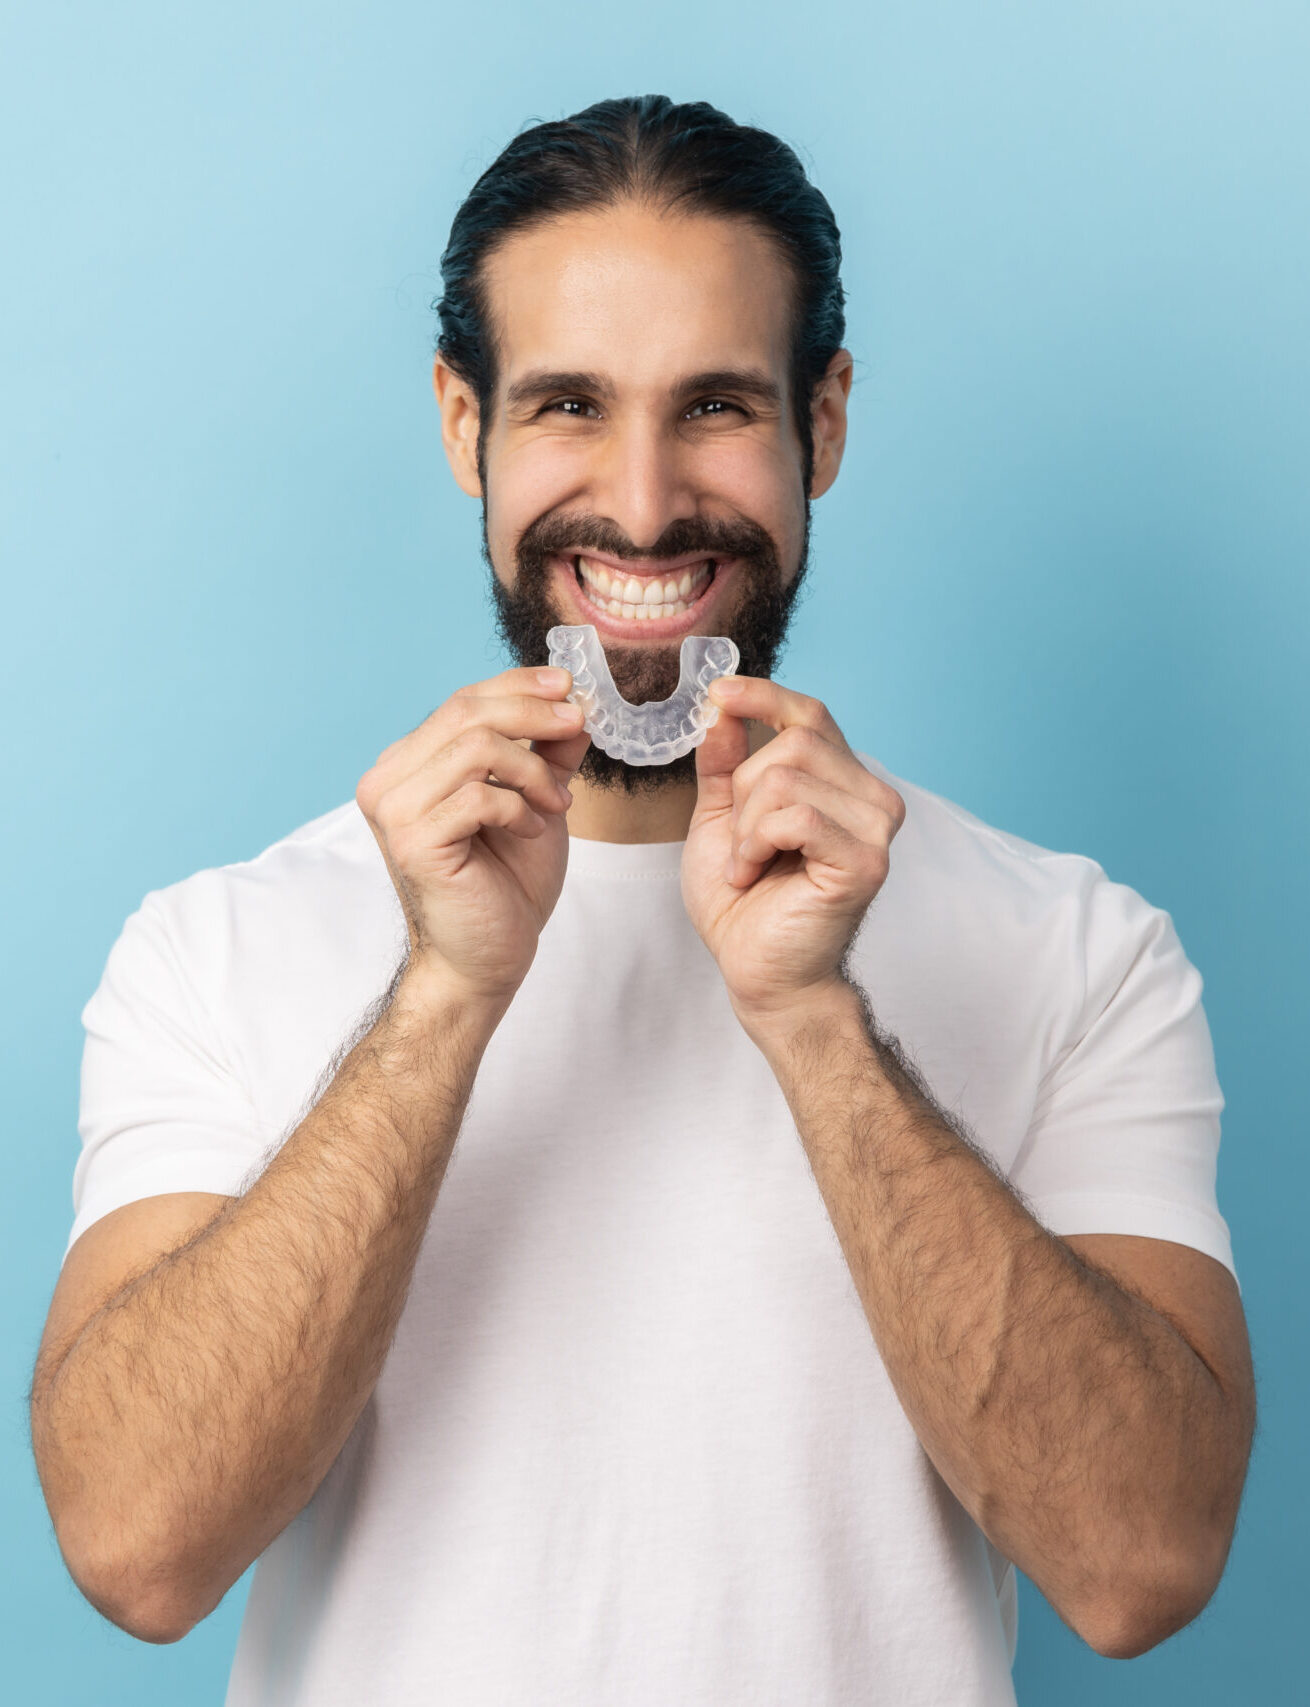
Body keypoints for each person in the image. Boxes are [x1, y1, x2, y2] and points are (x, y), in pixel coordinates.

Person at [30, 95, 1254, 1706]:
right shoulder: (217, 947)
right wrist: (443, 998)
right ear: (464, 426)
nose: (647, 501)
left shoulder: (1079, 950)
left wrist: (813, 1020)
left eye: (715, 407)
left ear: (821, 424)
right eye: (566, 407)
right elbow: (136, 1553)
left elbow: (1139, 1567)